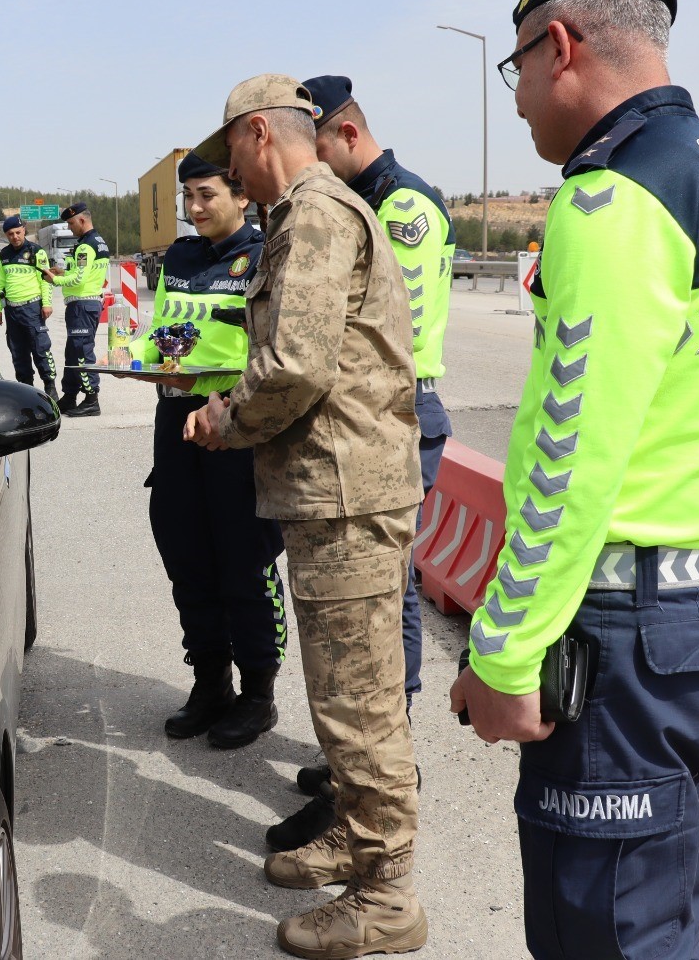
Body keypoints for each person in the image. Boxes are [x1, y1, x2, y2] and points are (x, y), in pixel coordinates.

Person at [448, 0, 699, 959]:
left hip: (624, 640)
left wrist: (505, 648)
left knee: (600, 932)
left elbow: (572, 460)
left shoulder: (610, 199)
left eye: (513, 71)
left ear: (558, 45)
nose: (514, 104)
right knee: (660, 921)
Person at [184, 74, 426, 957]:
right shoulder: (308, 213)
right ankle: (359, 843)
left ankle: (386, 893)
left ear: (259, 134)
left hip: (348, 494)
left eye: (228, 160)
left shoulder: (315, 214)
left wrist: (221, 418)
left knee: (360, 706)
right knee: (341, 694)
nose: (228, 180)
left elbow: (292, 366)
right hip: (334, 490)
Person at [267, 74, 459, 852]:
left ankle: (387, 756)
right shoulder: (361, 205)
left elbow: (370, 330)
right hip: (374, 416)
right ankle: (365, 758)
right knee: (377, 598)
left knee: (388, 594)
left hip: (397, 414)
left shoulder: (401, 209)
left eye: (315, 153)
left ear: (344, 134)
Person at [133, 152, 286, 749]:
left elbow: (275, 349)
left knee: (244, 564)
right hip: (177, 424)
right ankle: (209, 682)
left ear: (241, 195)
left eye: (207, 195)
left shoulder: (266, 254)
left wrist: (226, 399)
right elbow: (162, 335)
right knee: (187, 555)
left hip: (236, 428)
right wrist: (144, 365)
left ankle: (257, 694)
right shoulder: (179, 255)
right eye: (188, 198)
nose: (195, 208)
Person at [46, 202, 109, 417]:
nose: (70, 228)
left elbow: (80, 278)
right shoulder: (98, 241)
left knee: (81, 352)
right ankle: (70, 396)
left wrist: (55, 279)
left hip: (82, 304)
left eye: (72, 223)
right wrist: (62, 272)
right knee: (72, 352)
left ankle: (92, 398)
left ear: (82, 220)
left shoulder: (85, 246)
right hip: (86, 304)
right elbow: (85, 273)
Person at [0, 215, 59, 400]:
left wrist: (46, 304)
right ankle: (27, 392)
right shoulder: (4, 255)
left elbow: (45, 281)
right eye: (10, 234)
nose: (15, 237)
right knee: (18, 353)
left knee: (40, 349)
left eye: (18, 232)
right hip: (12, 312)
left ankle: (50, 387)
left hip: (32, 309)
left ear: (24, 231)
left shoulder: (36, 251)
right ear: (6, 235)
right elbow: (0, 283)